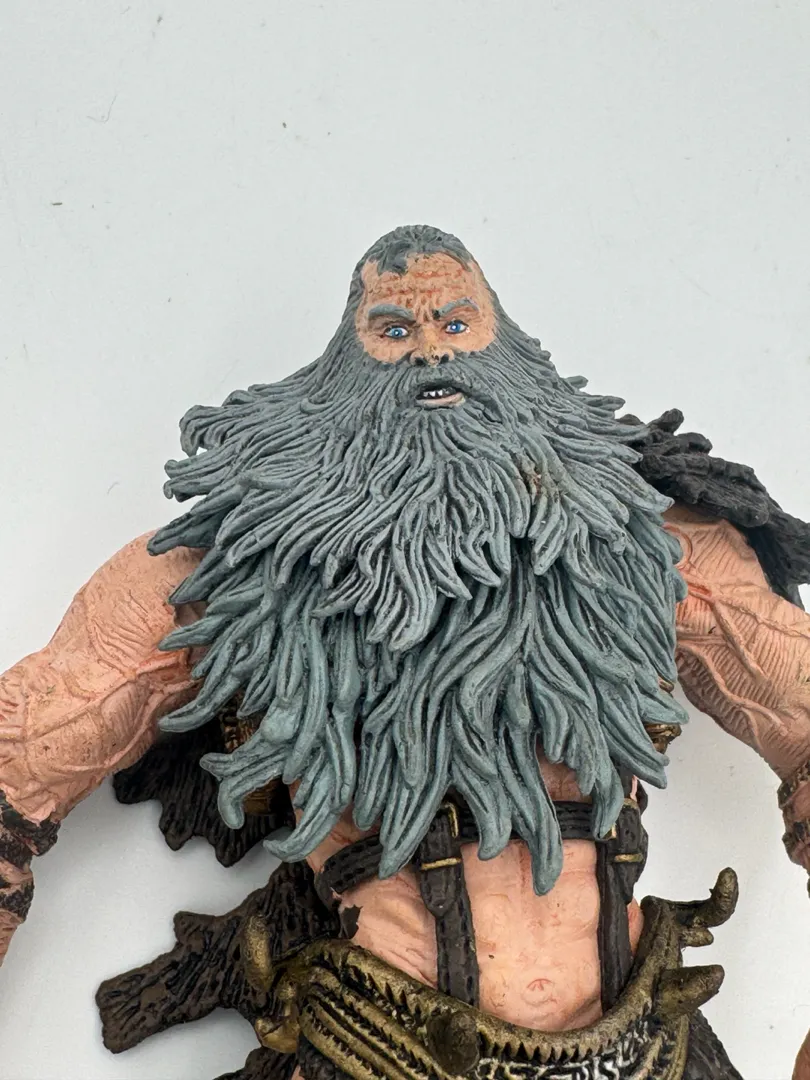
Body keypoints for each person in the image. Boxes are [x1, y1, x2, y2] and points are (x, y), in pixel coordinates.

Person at [2, 226, 810, 1079]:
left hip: (645, 1048)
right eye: (394, 331)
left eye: (457, 325)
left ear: (509, 353)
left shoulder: (650, 545)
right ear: (343, 375)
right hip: (376, 1047)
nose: (432, 354)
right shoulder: (229, 566)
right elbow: (24, 754)